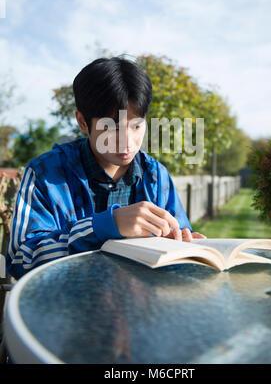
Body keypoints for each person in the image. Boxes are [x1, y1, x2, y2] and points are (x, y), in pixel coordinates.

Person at [6, 57, 205, 280]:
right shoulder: (45, 174)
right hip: (67, 310)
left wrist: (185, 245)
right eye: (112, 128)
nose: (128, 142)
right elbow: (20, 259)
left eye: (137, 125)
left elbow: (178, 242)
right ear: (82, 122)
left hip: (142, 308)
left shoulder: (157, 177)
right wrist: (106, 225)